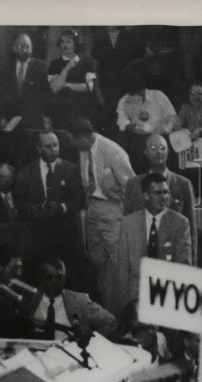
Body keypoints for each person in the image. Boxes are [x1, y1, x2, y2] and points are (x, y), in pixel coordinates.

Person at [69, 116, 136, 306]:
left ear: (82, 138)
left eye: (73, 140)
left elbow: (131, 188)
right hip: (92, 209)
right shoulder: (83, 150)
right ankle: (107, 307)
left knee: (117, 262)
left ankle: (123, 309)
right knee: (99, 262)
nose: (72, 145)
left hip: (113, 211)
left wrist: (123, 215)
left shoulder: (113, 151)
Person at [13, 129, 86, 289]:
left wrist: (61, 207)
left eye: (56, 145)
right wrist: (36, 209)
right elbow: (20, 203)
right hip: (37, 239)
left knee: (67, 281)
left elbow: (80, 200)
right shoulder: (26, 171)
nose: (53, 149)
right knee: (37, 280)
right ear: (39, 148)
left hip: (65, 238)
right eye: (48, 146)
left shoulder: (71, 169)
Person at [114, 172, 192, 318]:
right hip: (135, 300)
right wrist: (125, 309)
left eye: (166, 192)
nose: (164, 197)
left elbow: (183, 266)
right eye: (158, 193)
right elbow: (122, 270)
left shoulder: (180, 223)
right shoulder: (128, 223)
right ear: (145, 196)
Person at [123, 133, 197, 265]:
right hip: (140, 261)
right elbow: (126, 228)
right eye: (153, 148)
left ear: (168, 152)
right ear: (145, 152)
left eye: (162, 148)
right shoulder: (133, 185)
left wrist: (192, 266)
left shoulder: (183, 185)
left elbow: (191, 229)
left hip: (172, 262)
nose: (159, 152)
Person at [28, 256, 119, 341]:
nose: (55, 282)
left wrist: (90, 342)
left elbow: (110, 322)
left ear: (65, 278)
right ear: (41, 279)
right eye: (50, 278)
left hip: (67, 350)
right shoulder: (30, 301)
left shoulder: (79, 301)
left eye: (59, 277)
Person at [0, 32, 51, 130]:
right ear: (14, 48)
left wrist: (46, 116)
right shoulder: (6, 68)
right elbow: (1, 95)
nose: (25, 50)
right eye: (21, 47)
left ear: (32, 48)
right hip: (11, 120)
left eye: (27, 47)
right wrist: (1, 117)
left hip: (34, 120)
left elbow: (45, 95)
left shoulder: (40, 66)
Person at [46, 29, 99, 128]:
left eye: (68, 42)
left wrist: (66, 84)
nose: (65, 45)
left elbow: (89, 87)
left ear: (76, 44)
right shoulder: (54, 64)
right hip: (60, 111)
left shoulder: (86, 63)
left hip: (81, 110)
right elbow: (53, 88)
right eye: (62, 42)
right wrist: (67, 67)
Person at [116, 68, 177, 135]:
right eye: (132, 94)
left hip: (162, 135)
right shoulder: (124, 100)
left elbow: (172, 116)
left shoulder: (158, 95)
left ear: (143, 88)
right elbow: (121, 118)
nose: (136, 96)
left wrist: (166, 130)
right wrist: (127, 126)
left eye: (138, 92)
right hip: (139, 137)